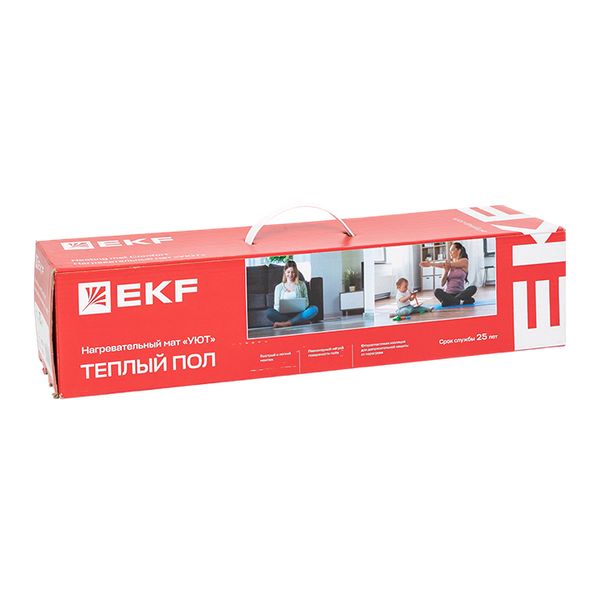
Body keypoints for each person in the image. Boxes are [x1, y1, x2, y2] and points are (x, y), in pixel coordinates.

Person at [420, 242, 477, 306]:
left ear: (459, 250)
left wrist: (430, 264)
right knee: (437, 291)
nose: (450, 253)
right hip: (449, 294)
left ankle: (453, 300)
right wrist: (446, 271)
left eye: (452, 250)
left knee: (473, 288)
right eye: (449, 251)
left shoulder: (464, 261)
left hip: (460, 293)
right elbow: (442, 284)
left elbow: (447, 264)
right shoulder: (447, 265)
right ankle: (459, 300)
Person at [266, 260, 319, 328]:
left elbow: (306, 302)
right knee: (269, 312)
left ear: (295, 273)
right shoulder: (278, 287)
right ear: (285, 272)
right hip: (284, 315)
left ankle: (287, 323)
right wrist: (282, 309)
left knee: (314, 309)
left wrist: (302, 307)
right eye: (288, 272)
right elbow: (276, 306)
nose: (290, 274)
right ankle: (298, 321)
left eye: (293, 272)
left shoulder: (302, 284)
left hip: (299, 313)